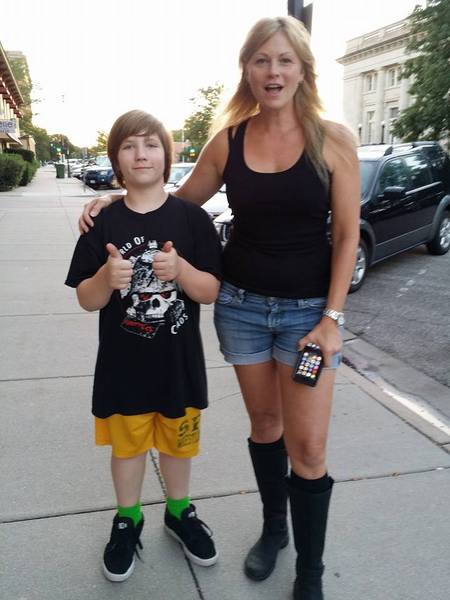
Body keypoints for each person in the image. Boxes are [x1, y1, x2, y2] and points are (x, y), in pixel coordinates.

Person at [78, 16, 360, 600]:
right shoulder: (229, 140)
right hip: (242, 308)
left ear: (303, 68)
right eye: (261, 60)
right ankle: (274, 530)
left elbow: (347, 235)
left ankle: (310, 573)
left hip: (309, 316)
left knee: (309, 447)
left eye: (284, 59)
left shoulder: (333, 138)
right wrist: (114, 202)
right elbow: (170, 206)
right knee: (266, 427)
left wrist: (332, 320)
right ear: (247, 70)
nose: (273, 71)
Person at [66, 109, 222, 583]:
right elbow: (86, 299)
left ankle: (178, 511)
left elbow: (210, 291)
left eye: (151, 144)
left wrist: (183, 271)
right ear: (116, 159)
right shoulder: (103, 223)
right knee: (128, 448)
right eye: (129, 146)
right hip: (123, 369)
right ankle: (127, 518)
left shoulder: (193, 220)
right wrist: (104, 277)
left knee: (178, 446)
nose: (141, 154)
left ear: (166, 156)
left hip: (178, 365)